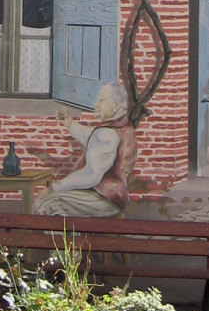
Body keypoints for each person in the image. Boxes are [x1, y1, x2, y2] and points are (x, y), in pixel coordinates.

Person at [34, 82, 137, 217]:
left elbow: (91, 175)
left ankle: (63, 233)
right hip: (111, 196)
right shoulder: (123, 128)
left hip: (104, 199)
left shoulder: (107, 135)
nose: (95, 106)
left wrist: (55, 187)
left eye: (101, 100)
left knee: (44, 205)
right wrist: (71, 124)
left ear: (116, 106)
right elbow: (93, 139)